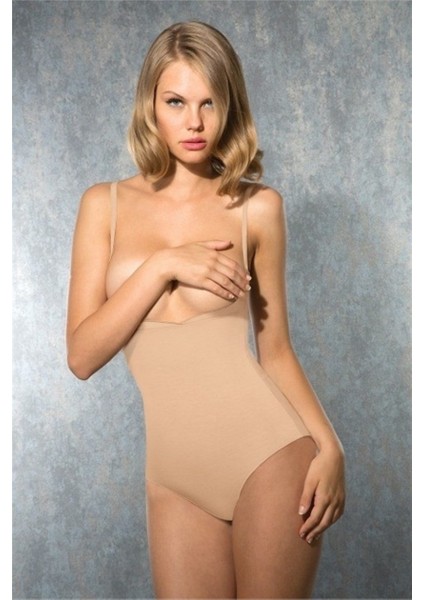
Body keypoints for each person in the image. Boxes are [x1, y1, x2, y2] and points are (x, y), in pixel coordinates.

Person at [66, 21, 345, 599]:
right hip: (173, 477)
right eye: (176, 102)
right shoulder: (104, 206)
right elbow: (82, 356)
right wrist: (163, 265)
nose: (193, 123)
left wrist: (330, 446)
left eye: (209, 103)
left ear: (229, 107)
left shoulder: (257, 209)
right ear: (151, 105)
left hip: (269, 457)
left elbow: (276, 351)